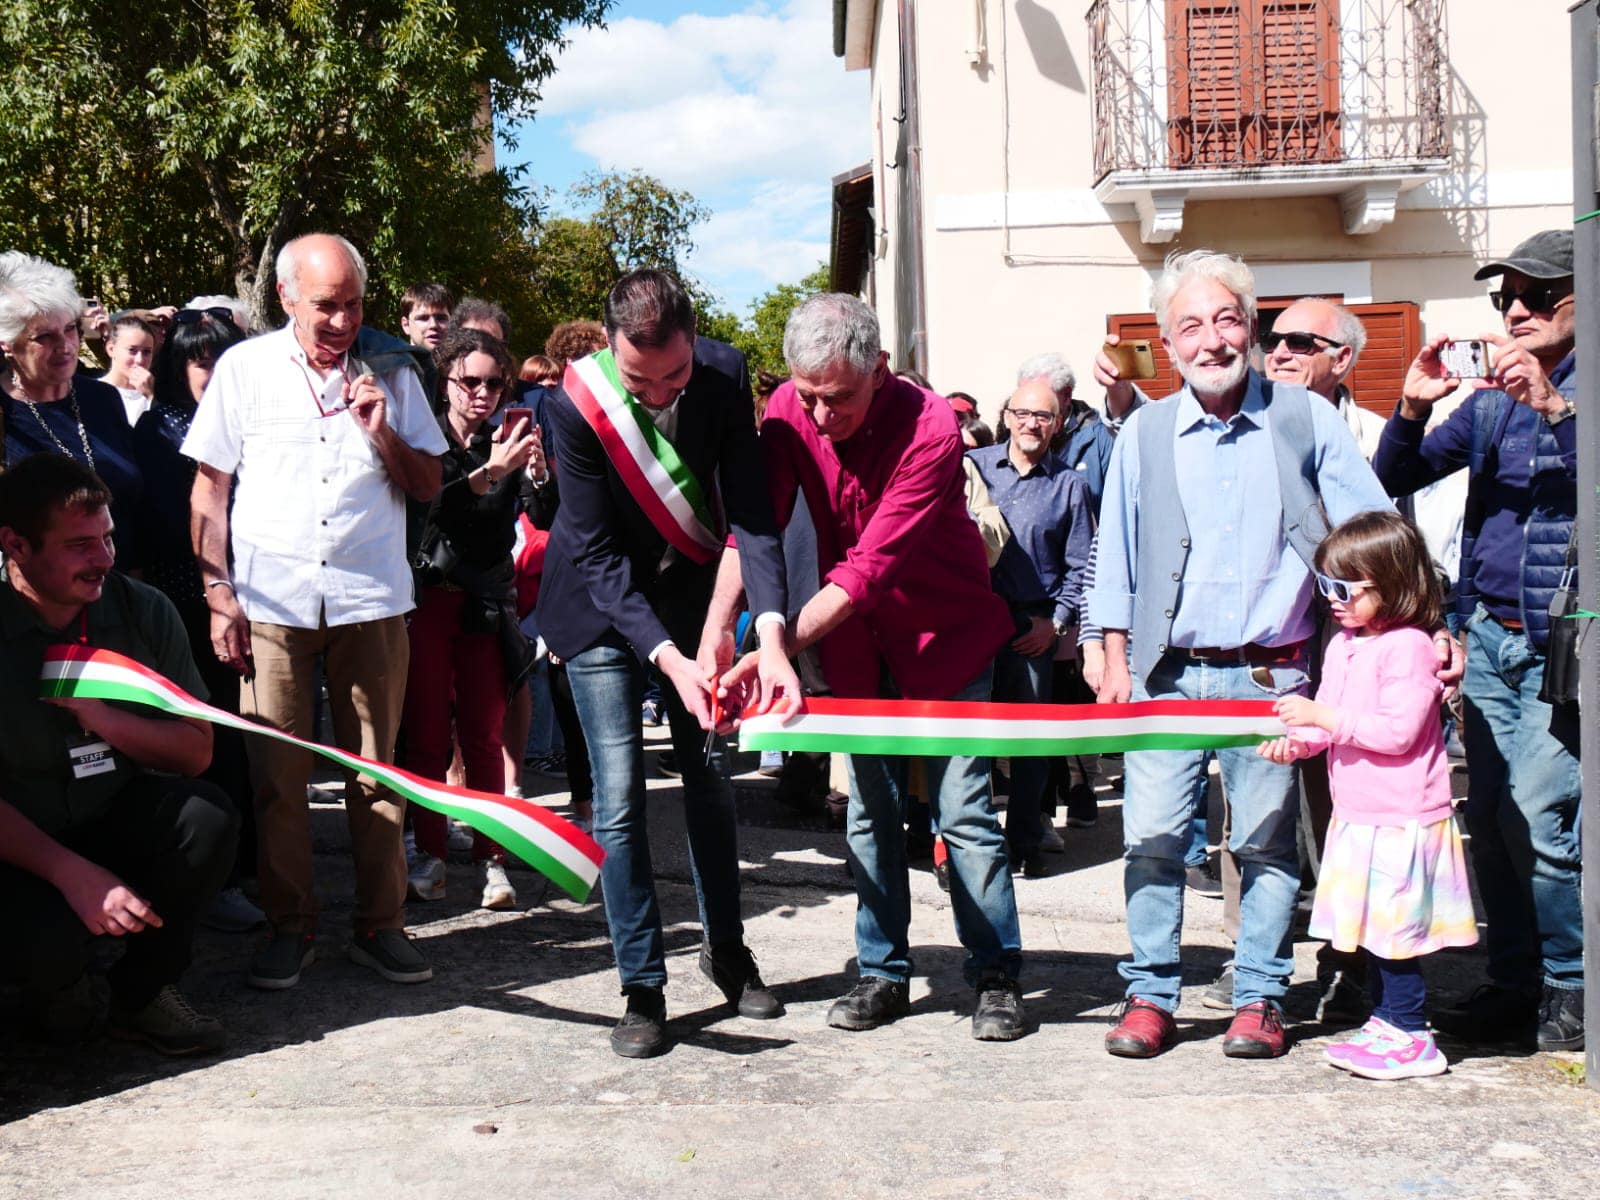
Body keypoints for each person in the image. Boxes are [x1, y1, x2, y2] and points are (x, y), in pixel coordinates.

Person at [1088, 249, 1392, 1060]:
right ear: (1168, 339)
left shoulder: (1305, 420)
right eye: (1190, 324)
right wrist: (1107, 654)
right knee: (1151, 839)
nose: (1211, 339)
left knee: (1264, 844)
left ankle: (1259, 996)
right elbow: (1111, 556)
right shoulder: (1144, 432)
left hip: (1273, 673)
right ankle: (1150, 994)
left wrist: (1405, 625)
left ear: (1250, 328)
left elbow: (1374, 535)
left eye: (1226, 319)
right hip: (1166, 673)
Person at [739, 293, 1027, 1042]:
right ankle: (882, 971)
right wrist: (728, 635)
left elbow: (870, 568)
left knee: (963, 815)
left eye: (839, 399)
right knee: (869, 813)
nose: (822, 416)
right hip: (858, 650)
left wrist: (775, 648)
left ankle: (996, 975)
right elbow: (757, 529)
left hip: (945, 641)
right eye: (809, 398)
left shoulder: (932, 425)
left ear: (881, 370)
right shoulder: (787, 408)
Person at [536, 268, 796, 1058]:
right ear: (612, 350)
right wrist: (664, 658)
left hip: (696, 608)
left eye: (673, 376)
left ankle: (728, 950)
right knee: (617, 798)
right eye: (638, 381)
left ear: (695, 341)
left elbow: (750, 511)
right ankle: (641, 985)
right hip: (599, 613)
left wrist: (762, 630)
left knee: (710, 782)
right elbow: (593, 548)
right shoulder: (572, 403)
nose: (655, 395)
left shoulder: (724, 373)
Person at [183, 232, 447, 991]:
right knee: (277, 777)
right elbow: (209, 490)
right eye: (325, 305)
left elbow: (428, 484)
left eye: (354, 304)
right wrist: (216, 591)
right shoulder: (244, 369)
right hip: (270, 602)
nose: (341, 321)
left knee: (377, 773)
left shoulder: (393, 368)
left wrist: (382, 430)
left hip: (370, 599)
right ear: (287, 297)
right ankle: (289, 926)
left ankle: (380, 925)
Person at [1373, 229, 1584, 1053]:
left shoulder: (1573, 388)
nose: (1518, 310)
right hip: (1487, 634)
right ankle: (1516, 982)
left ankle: (1572, 989)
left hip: (1557, 645)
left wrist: (1558, 411)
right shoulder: (1492, 399)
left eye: (1538, 295)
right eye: (1507, 299)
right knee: (1491, 820)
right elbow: (1396, 476)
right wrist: (1414, 405)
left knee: (1541, 819)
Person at [0, 455, 237, 1054]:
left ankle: (143, 992)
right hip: (18, 843)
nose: (104, 559)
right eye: (80, 545)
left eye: (108, 537)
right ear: (15, 546)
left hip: (106, 811)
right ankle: (57, 985)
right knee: (47, 956)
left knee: (204, 818)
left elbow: (195, 752)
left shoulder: (139, 609)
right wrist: (71, 874)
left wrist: (102, 717)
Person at [1257, 510, 1477, 1079]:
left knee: (1394, 933)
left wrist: (1321, 717)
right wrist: (1298, 743)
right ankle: (1385, 1020)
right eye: (1325, 585)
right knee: (1369, 930)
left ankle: (1411, 1033)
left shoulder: (1407, 647)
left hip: (1402, 818)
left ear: (1394, 581)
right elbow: (1328, 721)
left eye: (1346, 588)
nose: (1333, 599)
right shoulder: (1344, 644)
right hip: (1359, 815)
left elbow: (1397, 732)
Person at [402, 327, 545, 911]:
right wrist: (492, 470)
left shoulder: (504, 441)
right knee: (428, 733)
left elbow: (544, 516)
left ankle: (492, 857)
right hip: (433, 598)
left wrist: (535, 474)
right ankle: (431, 851)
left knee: (485, 736)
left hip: (487, 602)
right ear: (447, 381)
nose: (482, 394)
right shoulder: (425, 439)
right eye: (470, 382)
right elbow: (431, 510)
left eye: (494, 383)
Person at [132, 307, 263, 935]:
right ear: (175, 364)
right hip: (189, 607)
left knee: (261, 737)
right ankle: (223, 877)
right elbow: (165, 527)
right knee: (216, 741)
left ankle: (256, 865)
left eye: (223, 358)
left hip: (261, 598)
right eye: (200, 360)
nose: (213, 372)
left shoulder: (252, 419)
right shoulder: (160, 431)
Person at [967, 360, 1092, 877]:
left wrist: (1056, 623)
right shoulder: (973, 467)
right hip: (971, 624)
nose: (1032, 424)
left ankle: (1024, 842)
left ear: (1058, 422)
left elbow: (1083, 564)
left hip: (1030, 628)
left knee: (1031, 746)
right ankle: (968, 845)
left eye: (1044, 416)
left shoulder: (1070, 487)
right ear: (1007, 415)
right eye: (1022, 413)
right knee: (969, 738)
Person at [0, 251, 145, 570]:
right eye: (44, 336)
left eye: (70, 328)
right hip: (33, 599)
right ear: (7, 344)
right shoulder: (6, 414)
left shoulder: (103, 399)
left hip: (121, 589)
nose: (65, 345)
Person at [100, 313, 157, 426]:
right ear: (111, 349)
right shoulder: (93, 392)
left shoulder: (159, 395)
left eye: (146, 352)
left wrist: (152, 398)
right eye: (132, 350)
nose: (139, 360)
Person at [399, 282, 454, 351]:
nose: (433, 325)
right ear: (406, 325)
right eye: (423, 318)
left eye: (441, 318)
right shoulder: (389, 361)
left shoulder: (467, 360)